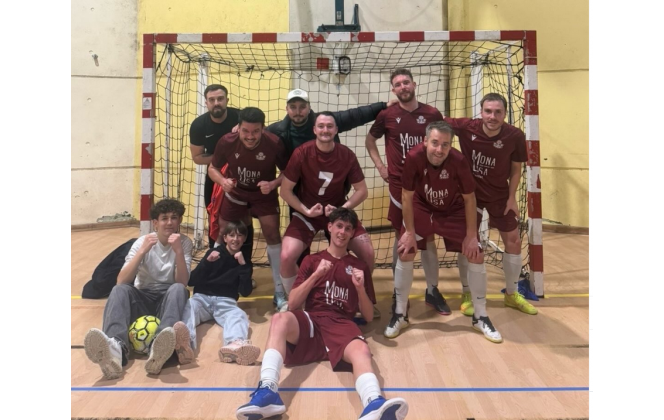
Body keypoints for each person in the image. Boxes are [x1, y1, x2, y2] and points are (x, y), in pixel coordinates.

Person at [235, 208, 409, 420]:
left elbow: (369, 316)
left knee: (362, 350)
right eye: (339, 226)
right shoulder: (312, 260)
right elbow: (293, 303)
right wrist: (316, 276)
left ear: (352, 233)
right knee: (280, 318)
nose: (342, 232)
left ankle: (373, 402)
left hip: (341, 324)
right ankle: (268, 391)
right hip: (313, 321)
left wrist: (360, 288)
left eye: (348, 228)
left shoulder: (359, 266)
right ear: (329, 227)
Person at [385, 121, 502, 344]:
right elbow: (407, 196)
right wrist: (409, 231)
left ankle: (480, 316)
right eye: (435, 143)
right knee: (405, 251)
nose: (439, 149)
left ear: (450, 145)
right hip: (422, 206)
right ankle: (400, 314)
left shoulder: (458, 161)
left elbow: (470, 198)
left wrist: (471, 236)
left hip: (452, 208)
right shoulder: (413, 157)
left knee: (476, 253)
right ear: (425, 141)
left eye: (445, 145)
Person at [365, 68, 450, 316]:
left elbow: (443, 143)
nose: (403, 87)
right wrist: (380, 167)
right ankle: (399, 292)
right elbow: (370, 141)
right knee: (401, 236)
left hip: (426, 184)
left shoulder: (432, 113)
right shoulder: (387, 115)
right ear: (393, 90)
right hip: (399, 185)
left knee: (429, 237)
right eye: (398, 84)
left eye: (406, 82)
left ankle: (432, 290)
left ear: (414, 84)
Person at [444, 93, 537, 316]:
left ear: (504, 114)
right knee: (469, 245)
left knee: (514, 241)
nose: (492, 116)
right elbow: (434, 119)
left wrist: (512, 197)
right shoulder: (467, 127)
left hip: (500, 196)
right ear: (481, 112)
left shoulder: (514, 136)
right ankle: (467, 293)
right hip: (470, 196)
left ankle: (511, 294)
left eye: (497, 112)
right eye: (488, 111)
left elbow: (516, 169)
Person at [84, 198, 195, 380]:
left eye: (174, 218)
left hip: (167, 302)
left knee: (178, 289)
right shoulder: (142, 242)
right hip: (143, 297)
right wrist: (143, 251)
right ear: (155, 223)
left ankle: (159, 348)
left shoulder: (184, 243)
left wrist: (179, 252)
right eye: (164, 218)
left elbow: (182, 281)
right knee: (119, 290)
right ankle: (116, 349)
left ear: (179, 221)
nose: (169, 222)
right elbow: (122, 280)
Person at [278, 112, 377, 312]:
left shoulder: (346, 155)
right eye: (321, 126)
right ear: (314, 130)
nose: (325, 130)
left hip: (338, 214)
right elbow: (285, 191)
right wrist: (306, 210)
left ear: (336, 130)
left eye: (330, 126)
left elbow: (362, 191)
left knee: (367, 252)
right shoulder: (301, 153)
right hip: (308, 214)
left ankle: (358, 300)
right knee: (287, 256)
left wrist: (341, 210)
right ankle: (296, 303)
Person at [208, 107, 289, 312]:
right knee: (224, 234)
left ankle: (279, 291)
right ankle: (214, 285)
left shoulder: (274, 143)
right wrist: (223, 181)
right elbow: (212, 168)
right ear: (239, 128)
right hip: (236, 193)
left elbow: (288, 173)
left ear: (263, 128)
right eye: (245, 131)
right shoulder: (227, 141)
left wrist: (273, 184)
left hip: (264, 194)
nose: (250, 136)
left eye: (255, 131)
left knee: (272, 234)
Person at [182, 220, 261, 365]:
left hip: (226, 302)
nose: (235, 239)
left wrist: (243, 267)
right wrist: (207, 262)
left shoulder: (244, 261)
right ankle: (184, 344)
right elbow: (191, 281)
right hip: (202, 298)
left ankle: (234, 345)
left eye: (239, 236)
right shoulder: (213, 253)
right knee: (188, 307)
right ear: (225, 238)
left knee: (239, 315)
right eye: (231, 235)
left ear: (244, 238)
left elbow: (245, 292)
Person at [189, 84, 247, 249]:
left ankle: (244, 259)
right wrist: (224, 158)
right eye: (212, 100)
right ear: (206, 103)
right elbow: (197, 158)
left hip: (242, 174)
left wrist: (243, 128)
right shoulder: (199, 125)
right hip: (215, 175)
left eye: (220, 99)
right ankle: (215, 255)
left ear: (227, 100)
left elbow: (260, 131)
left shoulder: (240, 117)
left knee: (244, 217)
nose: (216, 103)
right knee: (214, 215)